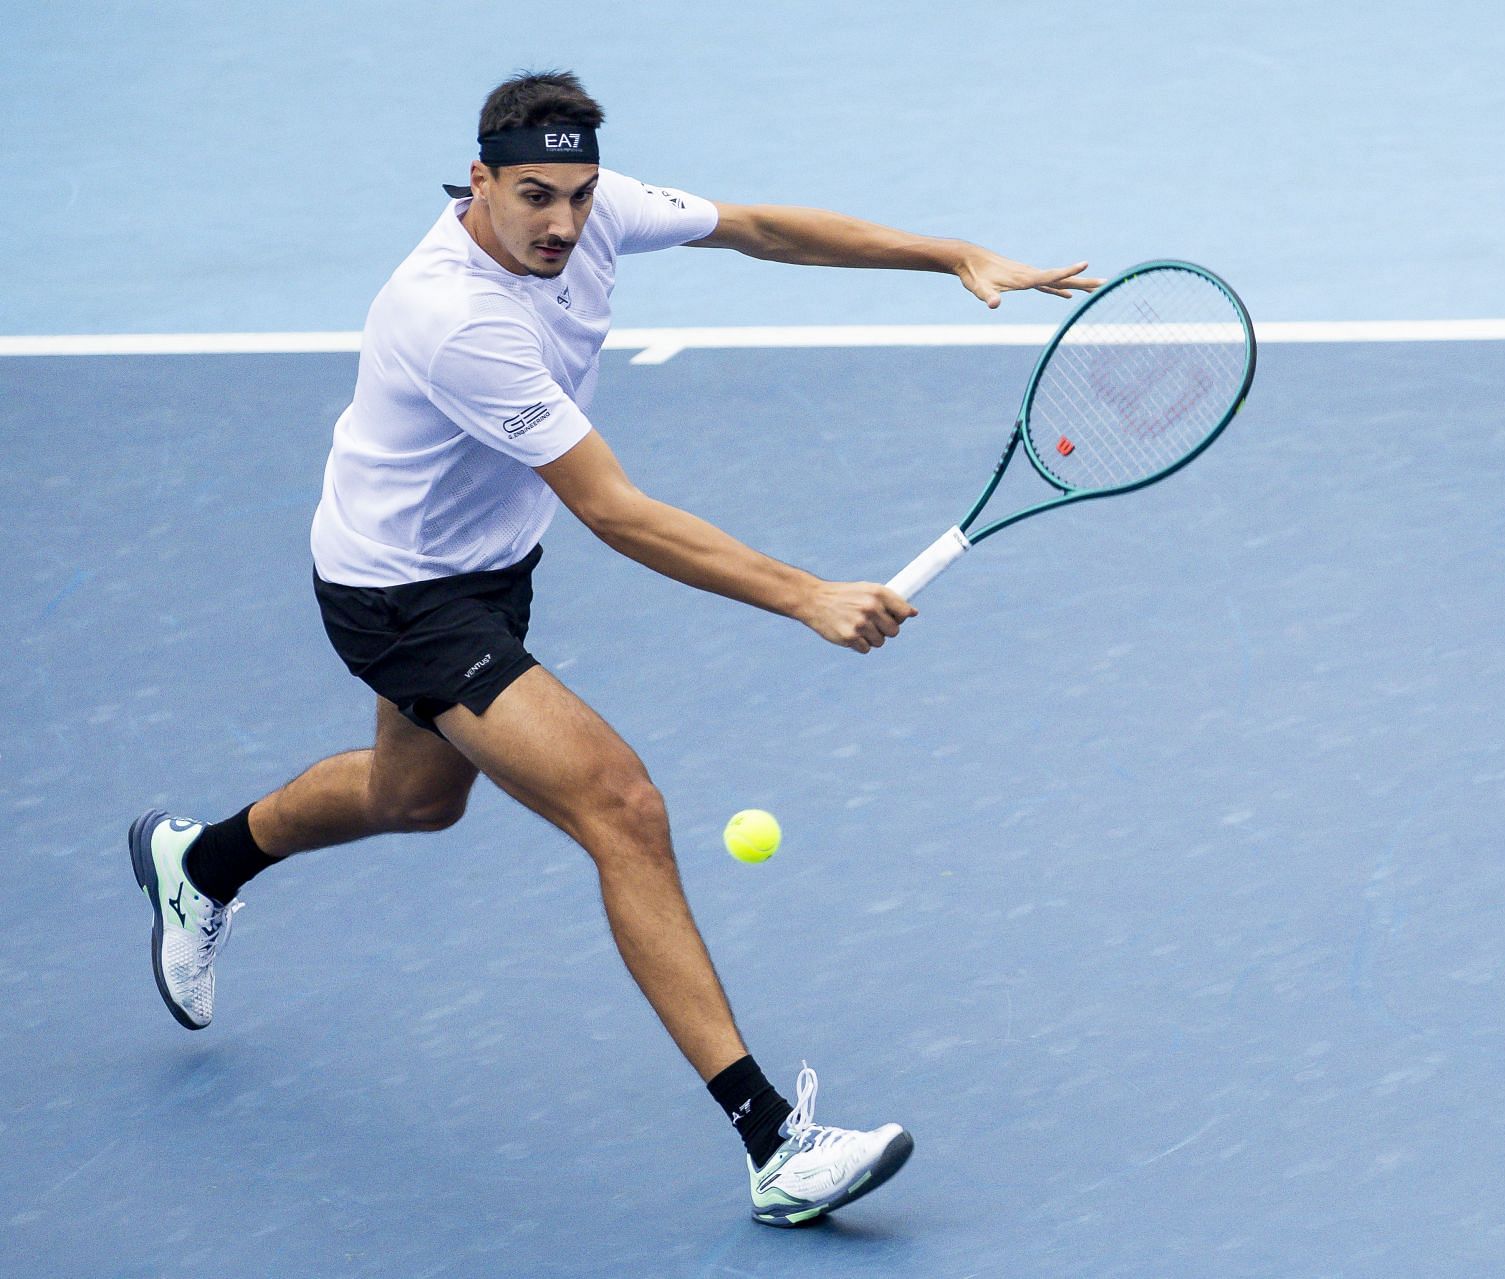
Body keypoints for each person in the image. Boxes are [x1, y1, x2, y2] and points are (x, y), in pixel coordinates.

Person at [127, 69, 1100, 1227]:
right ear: (476, 182)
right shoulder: (457, 317)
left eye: (581, 196)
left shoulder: (588, 213)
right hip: (401, 593)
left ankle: (204, 863)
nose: (563, 224)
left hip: (486, 566)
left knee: (416, 797)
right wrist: (806, 597)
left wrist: (950, 253)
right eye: (534, 195)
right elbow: (616, 511)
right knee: (622, 806)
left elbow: (759, 229)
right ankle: (772, 1140)